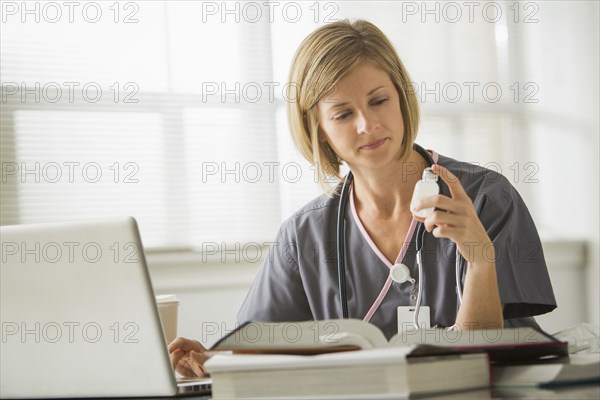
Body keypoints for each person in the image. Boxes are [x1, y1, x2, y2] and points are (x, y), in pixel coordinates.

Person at [169, 19, 557, 377]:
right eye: (342, 114)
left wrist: (480, 260)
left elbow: (485, 355)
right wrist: (212, 361)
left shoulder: (487, 198)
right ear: (318, 129)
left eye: (378, 101)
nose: (367, 125)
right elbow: (265, 348)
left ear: (401, 97)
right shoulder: (305, 235)